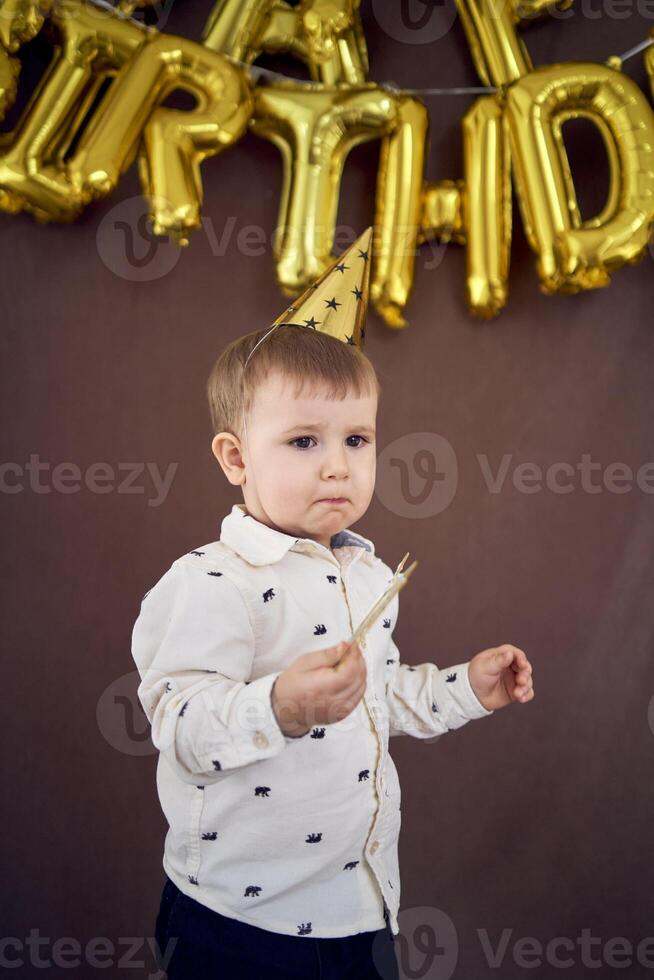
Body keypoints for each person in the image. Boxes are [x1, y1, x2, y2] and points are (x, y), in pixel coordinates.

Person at [131, 227, 535, 980]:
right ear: (235, 458)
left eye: (356, 439)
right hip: (244, 921)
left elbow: (381, 700)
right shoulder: (211, 582)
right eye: (303, 442)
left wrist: (466, 688)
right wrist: (278, 705)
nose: (337, 467)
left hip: (362, 903)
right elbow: (180, 725)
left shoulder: (365, 572)